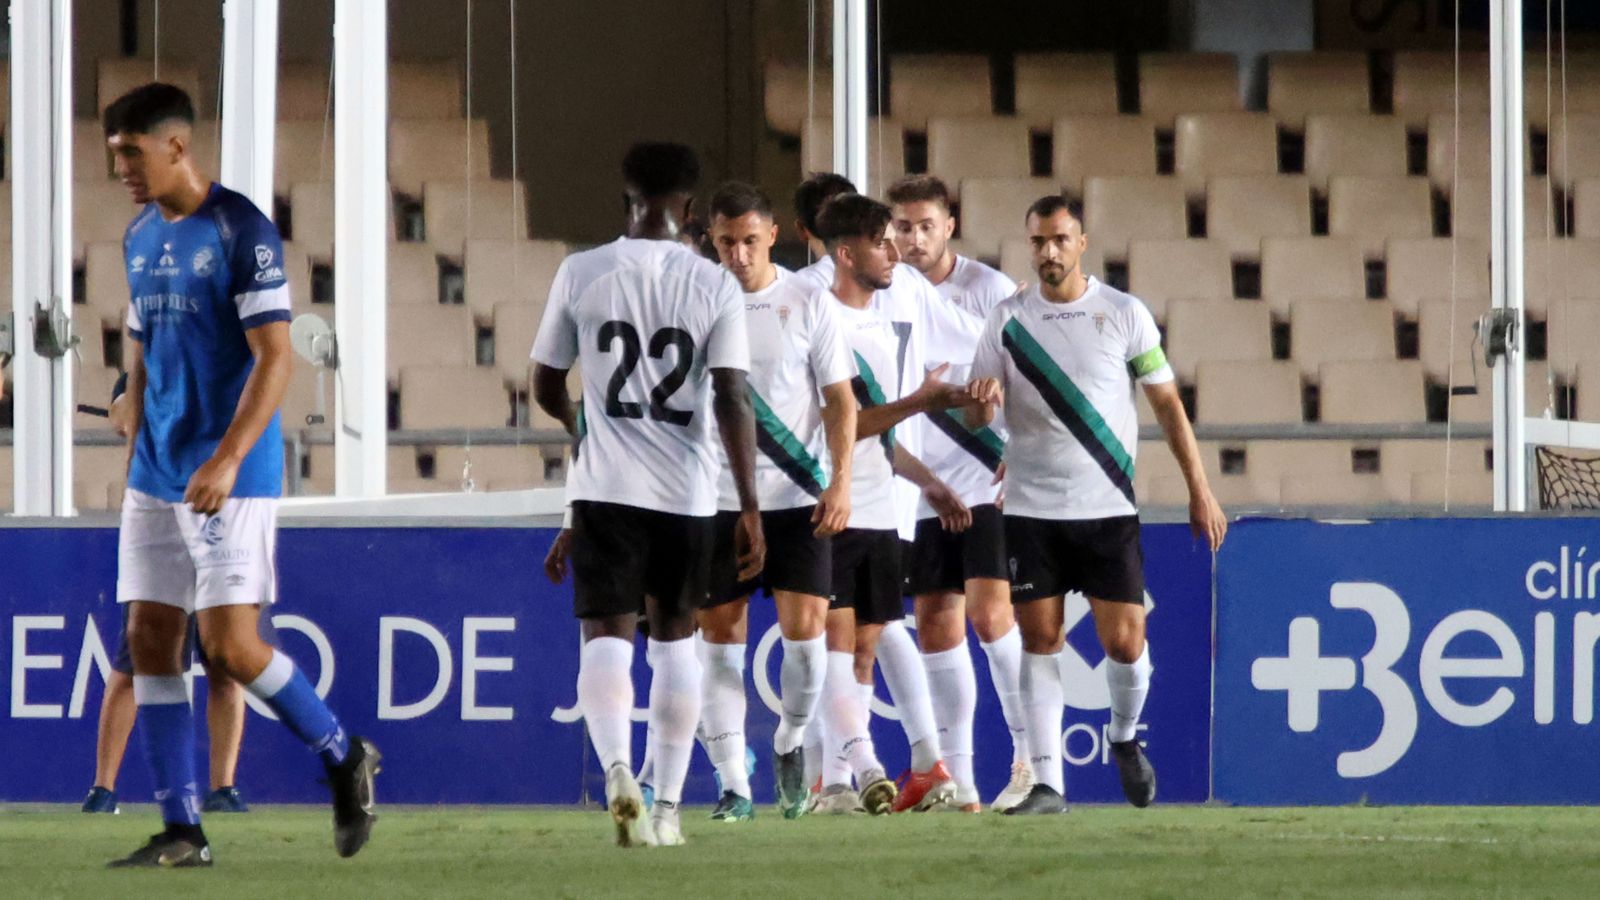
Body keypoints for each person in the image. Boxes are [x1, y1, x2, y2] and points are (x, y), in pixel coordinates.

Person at [105, 83, 378, 868]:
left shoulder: (241, 230)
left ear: (177, 146)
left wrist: (226, 456)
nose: (122, 166)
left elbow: (277, 356)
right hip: (157, 474)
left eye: (132, 151)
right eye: (116, 153)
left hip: (233, 472)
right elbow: (146, 353)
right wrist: (132, 429)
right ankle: (184, 829)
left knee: (229, 647)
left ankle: (341, 752)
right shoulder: (136, 234)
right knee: (151, 638)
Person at [530, 142, 766, 848]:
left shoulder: (582, 270)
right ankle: (666, 807)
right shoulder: (715, 284)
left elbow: (544, 381)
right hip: (688, 496)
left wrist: (586, 428)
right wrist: (749, 504)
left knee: (605, 635)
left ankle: (616, 774)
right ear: (691, 211)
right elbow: (731, 394)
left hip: (606, 493)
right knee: (674, 643)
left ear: (625, 200)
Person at [964, 195, 1227, 814]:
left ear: (1082, 242)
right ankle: (1049, 783)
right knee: (1040, 639)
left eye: (1060, 239)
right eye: (1038, 242)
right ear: (1027, 246)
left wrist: (1200, 488)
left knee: (1126, 643)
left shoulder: (1124, 314)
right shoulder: (1006, 320)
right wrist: (980, 403)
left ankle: (1124, 737)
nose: (1048, 252)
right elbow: (979, 414)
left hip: (1106, 508)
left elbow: (1167, 406)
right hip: (1031, 510)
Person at [808, 192, 976, 815]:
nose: (896, 251)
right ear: (847, 253)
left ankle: (843, 782)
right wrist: (920, 403)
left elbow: (882, 438)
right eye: (883, 242)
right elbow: (842, 423)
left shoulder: (888, 324)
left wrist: (925, 478)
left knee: (862, 651)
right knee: (834, 644)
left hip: (883, 509)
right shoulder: (821, 321)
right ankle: (855, 771)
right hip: (831, 506)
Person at [695, 181, 855, 822]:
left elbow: (840, 400)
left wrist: (841, 481)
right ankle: (734, 783)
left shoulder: (808, 300)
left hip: (797, 494)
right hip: (716, 496)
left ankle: (790, 739)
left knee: (807, 635)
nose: (738, 254)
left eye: (750, 241)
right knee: (721, 639)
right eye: (727, 242)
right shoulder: (695, 301)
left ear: (772, 237)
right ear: (713, 238)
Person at [887, 174, 1031, 812]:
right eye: (902, 227)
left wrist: (1021, 454)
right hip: (922, 484)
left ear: (950, 226)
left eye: (926, 226)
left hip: (985, 476)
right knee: (936, 623)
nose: (914, 239)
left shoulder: (989, 291)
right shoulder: (886, 292)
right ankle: (962, 783)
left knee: (991, 614)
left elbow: (1028, 380)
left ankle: (1032, 758)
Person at [84, 377, 255, 817]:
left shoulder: (234, 373)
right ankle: (102, 789)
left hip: (223, 526)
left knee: (226, 665)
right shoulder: (155, 365)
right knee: (132, 665)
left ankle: (224, 788)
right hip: (160, 525)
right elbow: (122, 413)